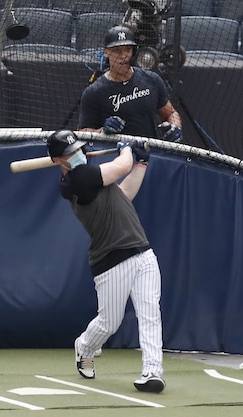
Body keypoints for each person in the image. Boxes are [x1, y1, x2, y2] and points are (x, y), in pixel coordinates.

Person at [46, 129, 165, 393]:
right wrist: (126, 148)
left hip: (142, 251)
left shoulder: (94, 178)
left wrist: (141, 162)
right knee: (109, 322)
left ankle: (152, 371)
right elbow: (122, 165)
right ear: (58, 161)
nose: (76, 155)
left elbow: (125, 193)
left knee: (150, 314)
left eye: (77, 149)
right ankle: (86, 345)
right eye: (69, 154)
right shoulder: (78, 180)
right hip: (110, 258)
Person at [78, 25, 183, 143]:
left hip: (150, 155)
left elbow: (171, 113)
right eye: (117, 50)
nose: (123, 56)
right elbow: (82, 133)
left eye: (127, 49)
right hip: (115, 158)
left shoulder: (152, 79)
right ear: (106, 52)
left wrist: (175, 127)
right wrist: (102, 132)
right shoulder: (94, 92)